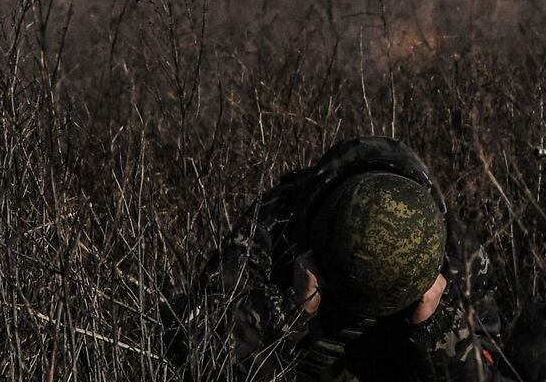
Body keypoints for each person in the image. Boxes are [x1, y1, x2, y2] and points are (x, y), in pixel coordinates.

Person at [165, 136, 521, 381]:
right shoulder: (275, 226)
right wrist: (291, 309)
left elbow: (490, 369)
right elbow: (199, 352)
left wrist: (433, 328)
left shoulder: (452, 252)